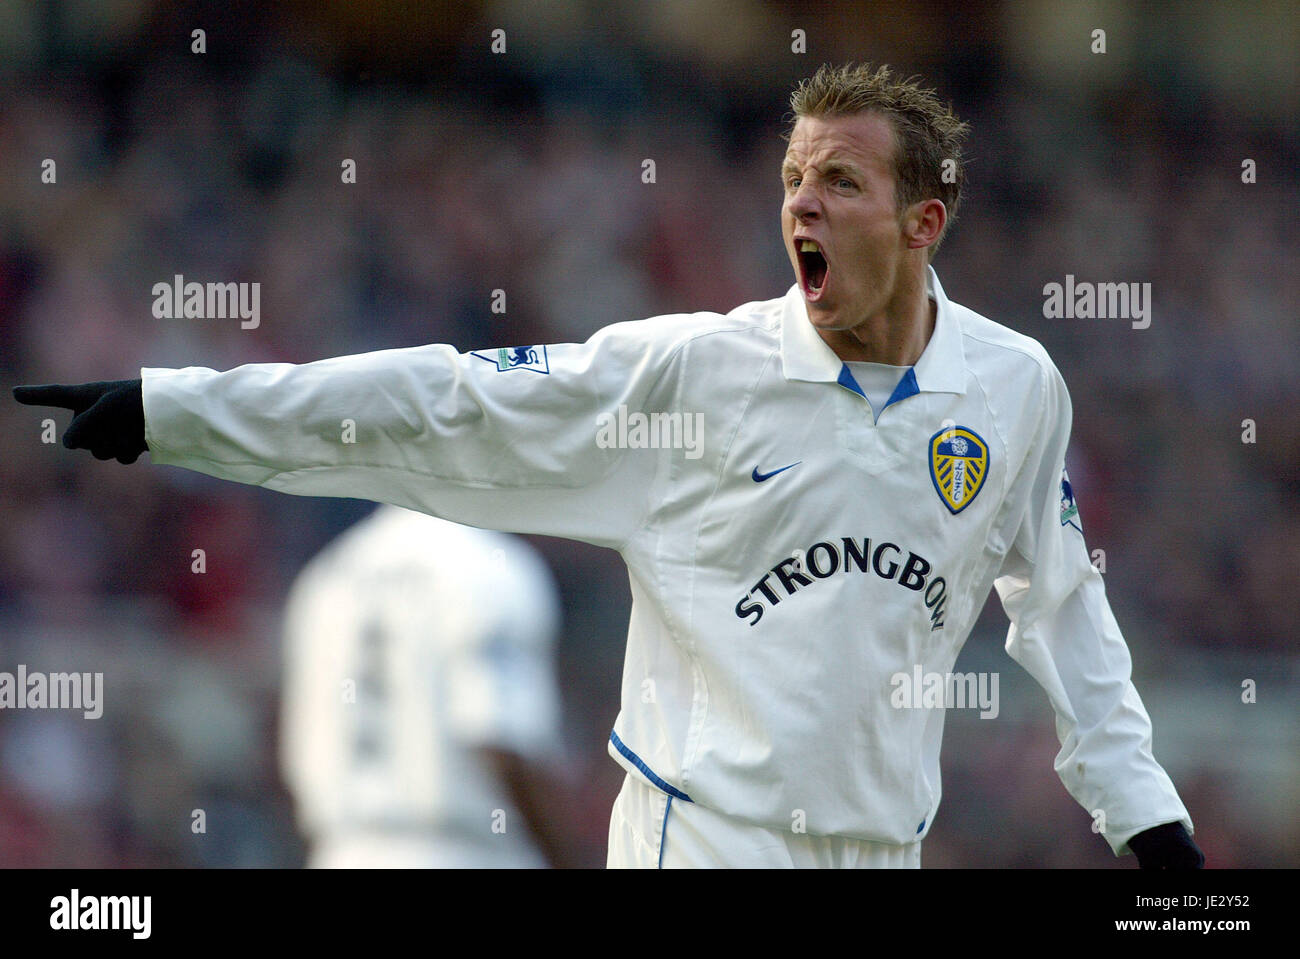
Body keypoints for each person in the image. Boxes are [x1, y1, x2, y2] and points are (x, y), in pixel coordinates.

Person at [14, 63, 1202, 869]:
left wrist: (1148, 820)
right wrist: (179, 409)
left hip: (884, 848)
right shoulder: (694, 375)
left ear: (921, 225)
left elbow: (1062, 608)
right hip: (701, 842)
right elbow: (450, 399)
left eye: (840, 181)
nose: (803, 202)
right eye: (792, 178)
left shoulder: (1011, 390)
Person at [280, 504, 578, 868]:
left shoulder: (330, 572)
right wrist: (562, 854)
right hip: (463, 851)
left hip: (342, 851)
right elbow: (498, 737)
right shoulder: (486, 566)